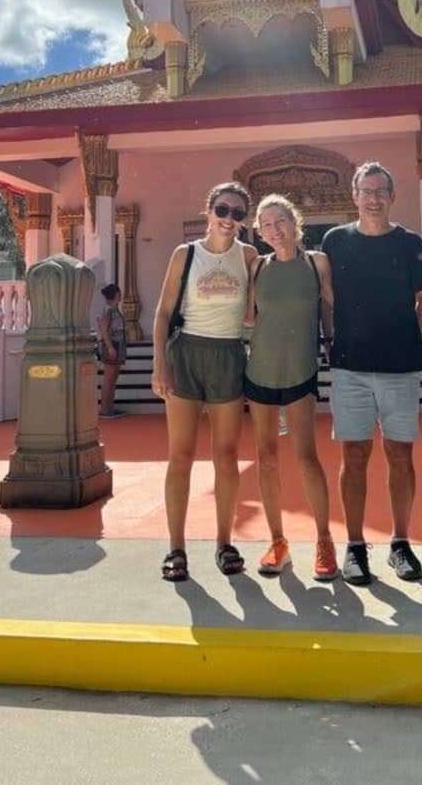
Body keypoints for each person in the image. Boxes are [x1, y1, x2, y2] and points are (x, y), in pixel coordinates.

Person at [323, 161, 422, 585]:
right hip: (351, 367)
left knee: (400, 456)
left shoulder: (409, 243)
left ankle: (400, 543)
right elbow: (326, 290)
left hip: (400, 367)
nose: (373, 198)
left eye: (380, 191)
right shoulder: (336, 240)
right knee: (353, 457)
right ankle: (354, 546)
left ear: (392, 195)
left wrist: (409, 334)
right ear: (354, 196)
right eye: (365, 191)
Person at [151, 182, 258, 582]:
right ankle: (176, 547)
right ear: (208, 210)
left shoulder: (248, 256)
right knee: (180, 455)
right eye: (223, 209)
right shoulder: (186, 254)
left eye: (237, 213)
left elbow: (254, 314)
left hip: (228, 355)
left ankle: (224, 542)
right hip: (186, 355)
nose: (229, 219)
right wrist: (158, 363)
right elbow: (162, 314)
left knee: (226, 456)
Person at [244, 194, 338, 581]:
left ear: (295, 221)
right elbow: (248, 317)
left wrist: (335, 345)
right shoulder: (256, 267)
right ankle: (277, 541)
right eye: (265, 224)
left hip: (301, 371)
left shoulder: (316, 263)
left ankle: (324, 539)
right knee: (265, 459)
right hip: (260, 371)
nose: (273, 230)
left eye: (279, 220)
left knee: (306, 458)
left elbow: (331, 309)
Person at [98, 283, 127, 420]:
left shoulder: (114, 310)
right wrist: (109, 347)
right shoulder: (108, 310)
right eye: (119, 293)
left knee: (113, 377)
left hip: (118, 344)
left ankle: (109, 406)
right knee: (109, 378)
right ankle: (104, 408)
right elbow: (104, 329)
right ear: (116, 295)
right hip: (112, 344)